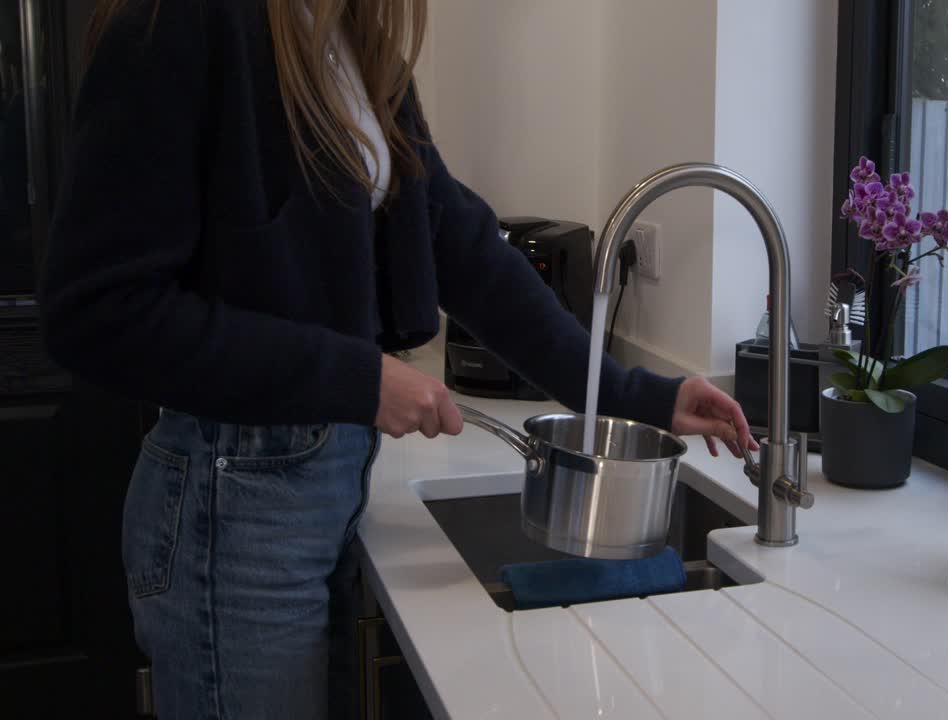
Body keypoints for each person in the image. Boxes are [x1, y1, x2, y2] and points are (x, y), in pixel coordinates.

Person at [39, 1, 756, 717]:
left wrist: (642, 395)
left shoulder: (353, 41)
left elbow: (464, 249)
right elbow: (99, 312)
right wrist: (358, 378)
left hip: (323, 494)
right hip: (229, 514)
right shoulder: (175, 26)